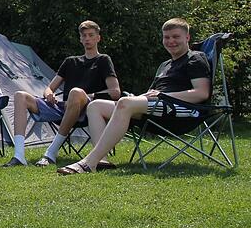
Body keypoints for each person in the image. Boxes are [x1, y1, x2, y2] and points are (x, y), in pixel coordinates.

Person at [57, 18, 211, 174]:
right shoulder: (166, 65)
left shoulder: (195, 58)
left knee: (124, 102)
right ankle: (101, 160)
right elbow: (153, 94)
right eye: (167, 37)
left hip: (182, 111)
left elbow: (201, 93)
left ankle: (88, 162)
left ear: (187, 37)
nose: (171, 41)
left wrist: (164, 95)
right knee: (95, 106)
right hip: (158, 108)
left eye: (176, 36)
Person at [5, 20, 121, 167]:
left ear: (98, 38)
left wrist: (88, 96)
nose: (87, 39)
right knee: (20, 95)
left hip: (87, 110)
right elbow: (49, 88)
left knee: (76, 92)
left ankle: (50, 153)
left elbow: (115, 92)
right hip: (63, 107)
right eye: (84, 35)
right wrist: (48, 94)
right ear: (80, 39)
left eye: (91, 35)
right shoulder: (70, 61)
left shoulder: (103, 60)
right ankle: (19, 156)